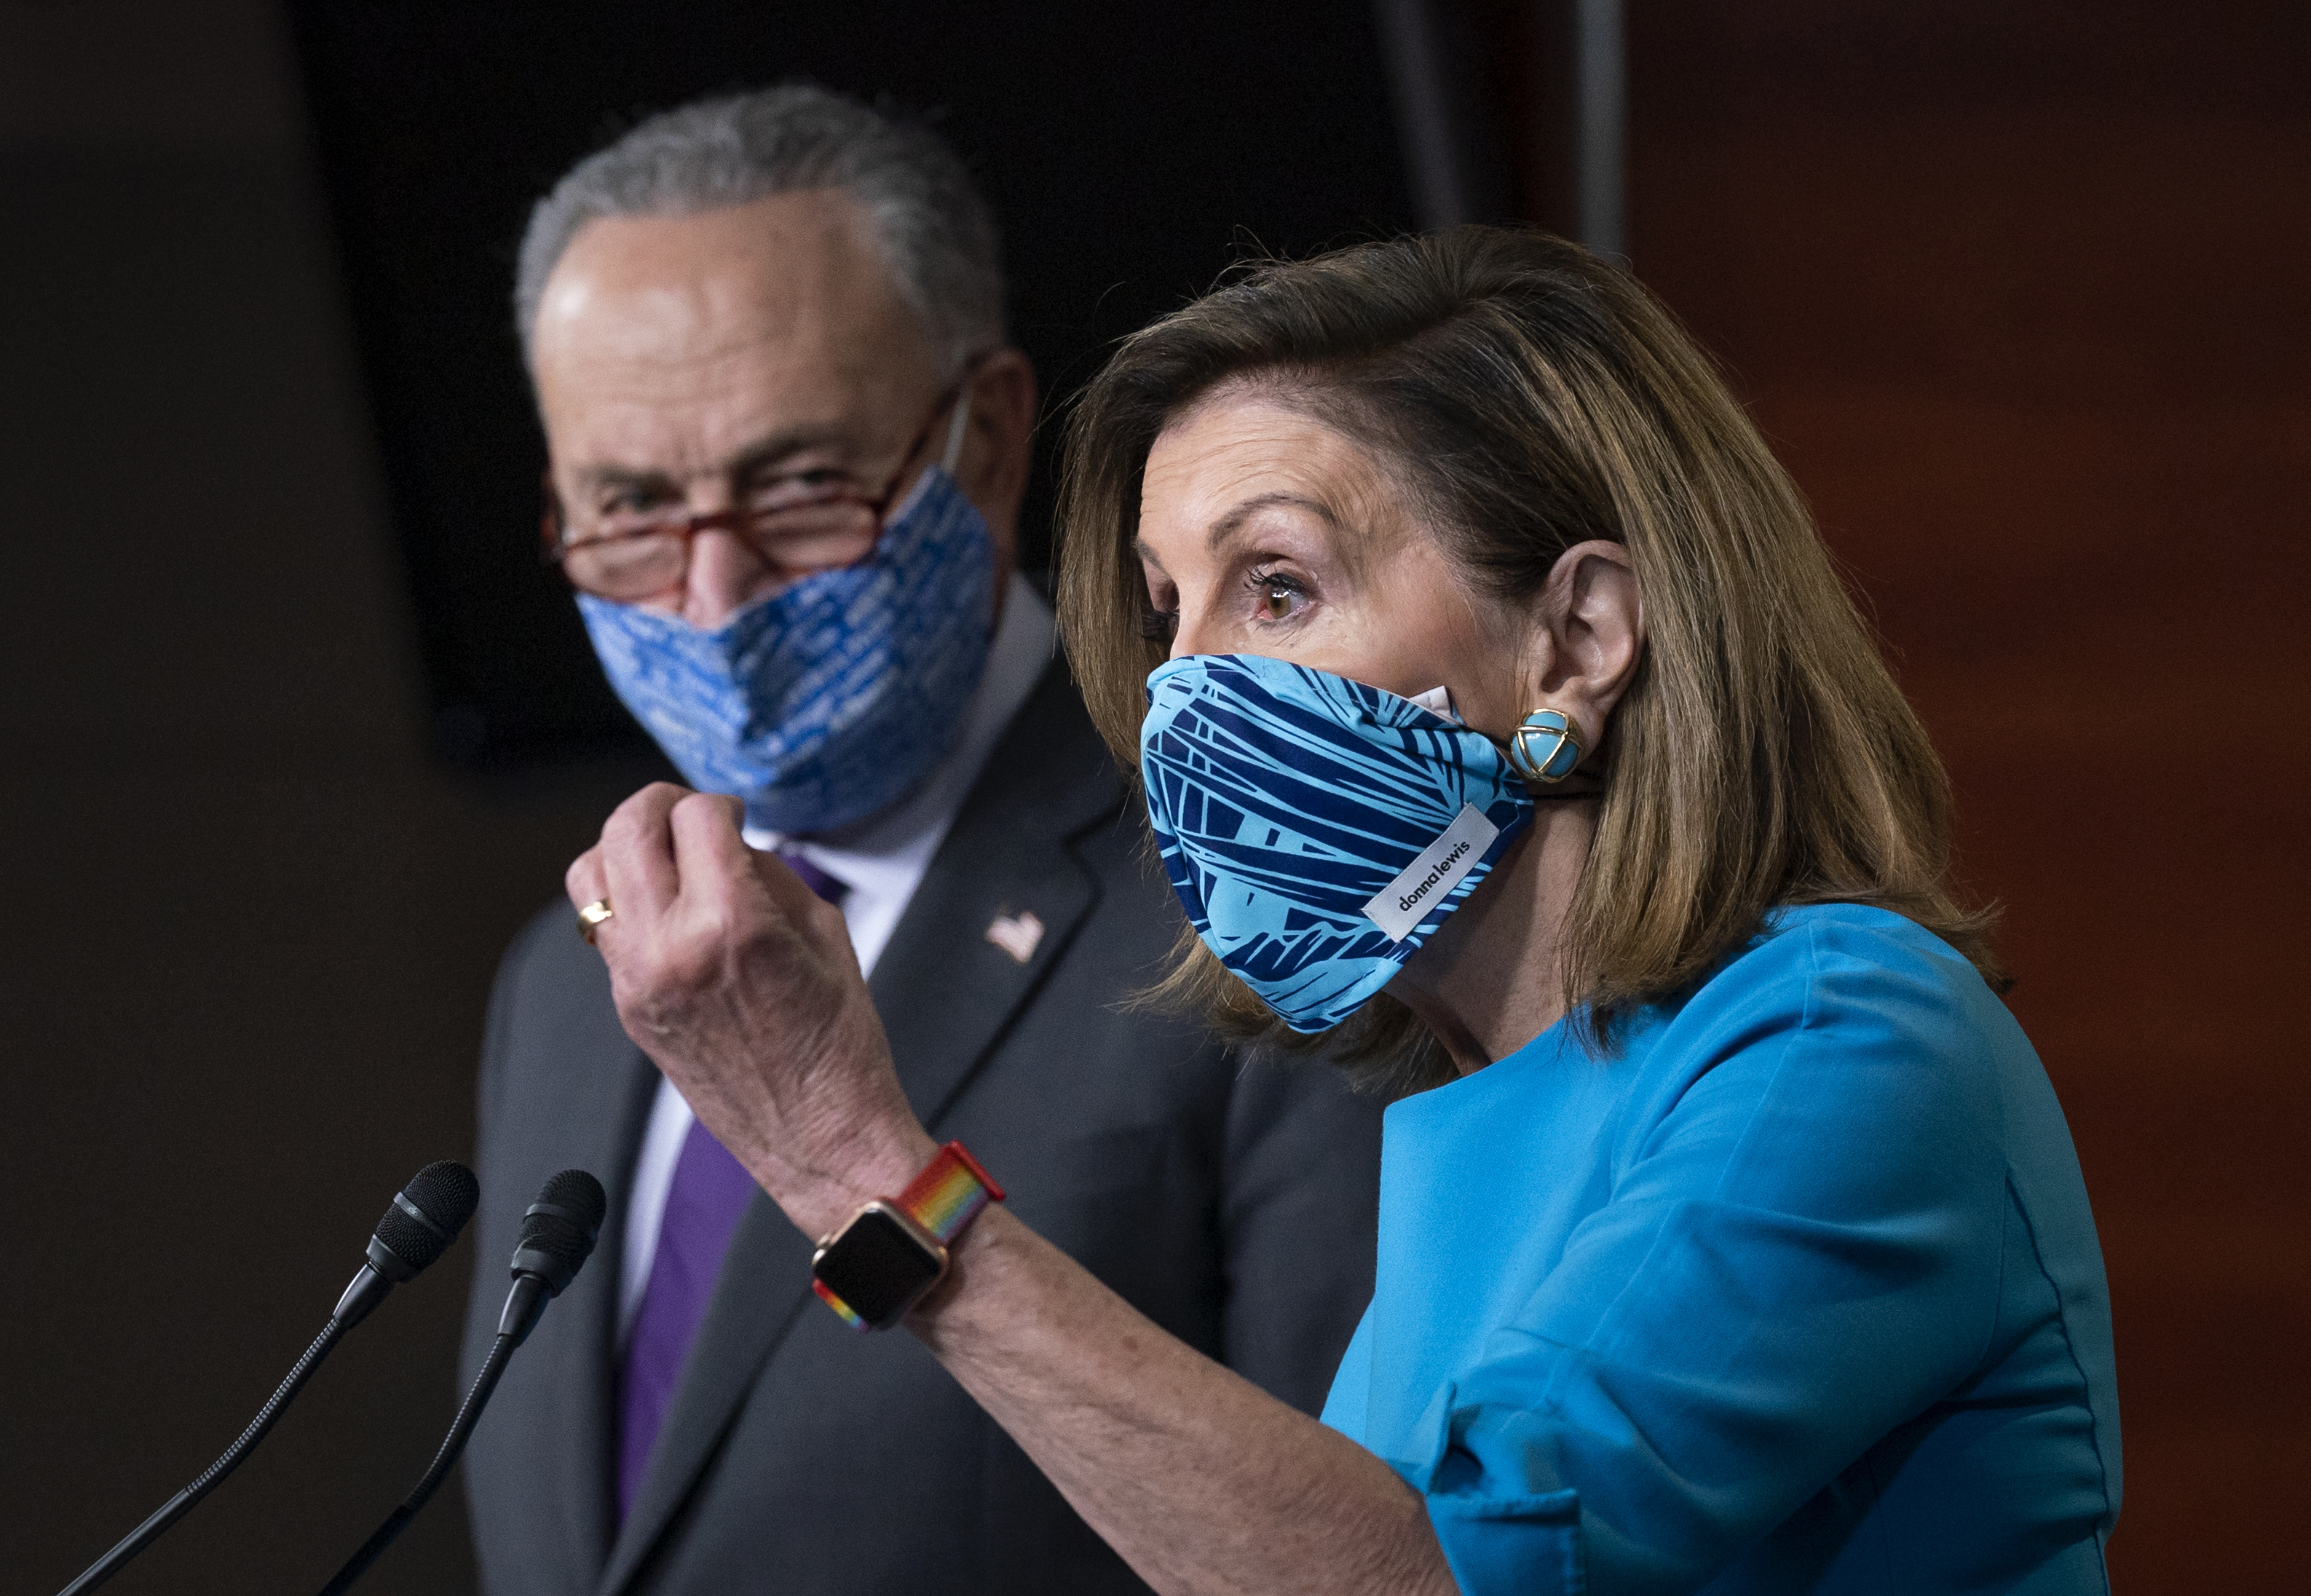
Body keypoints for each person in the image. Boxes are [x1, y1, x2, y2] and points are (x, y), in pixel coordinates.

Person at [566, 226, 2122, 1594]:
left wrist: (857, 1167)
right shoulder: (1468, 1107)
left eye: (1280, 588)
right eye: (1171, 612)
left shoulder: (1845, 1035)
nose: (1184, 692)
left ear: (1577, 638)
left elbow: (1428, 1580)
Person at [458, 87, 1386, 1596]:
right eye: (629, 507)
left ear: (991, 437)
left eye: (803, 484)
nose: (713, 592)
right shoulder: (566, 981)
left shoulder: (1271, 887)